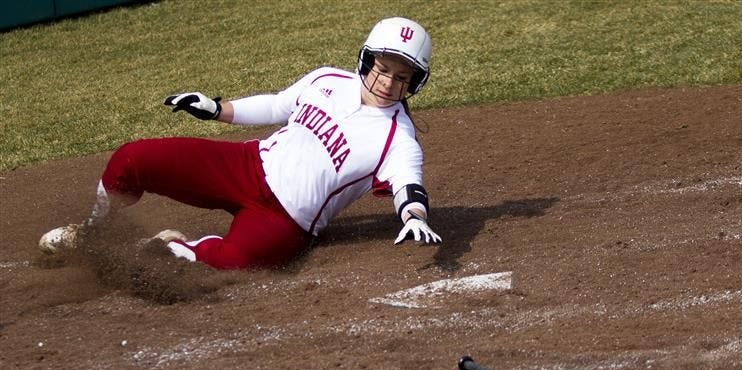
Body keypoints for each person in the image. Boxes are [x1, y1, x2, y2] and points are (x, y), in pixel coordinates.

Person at [39, 16, 441, 270]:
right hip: (246, 165)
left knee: (229, 260)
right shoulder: (328, 80)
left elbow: (409, 185)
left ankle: (169, 247)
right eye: (383, 68)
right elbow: (277, 105)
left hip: (284, 221)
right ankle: (91, 235)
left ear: (415, 83)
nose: (388, 82)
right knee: (133, 159)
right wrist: (217, 108)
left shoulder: (398, 137)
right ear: (366, 60)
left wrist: (414, 217)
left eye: (402, 77)